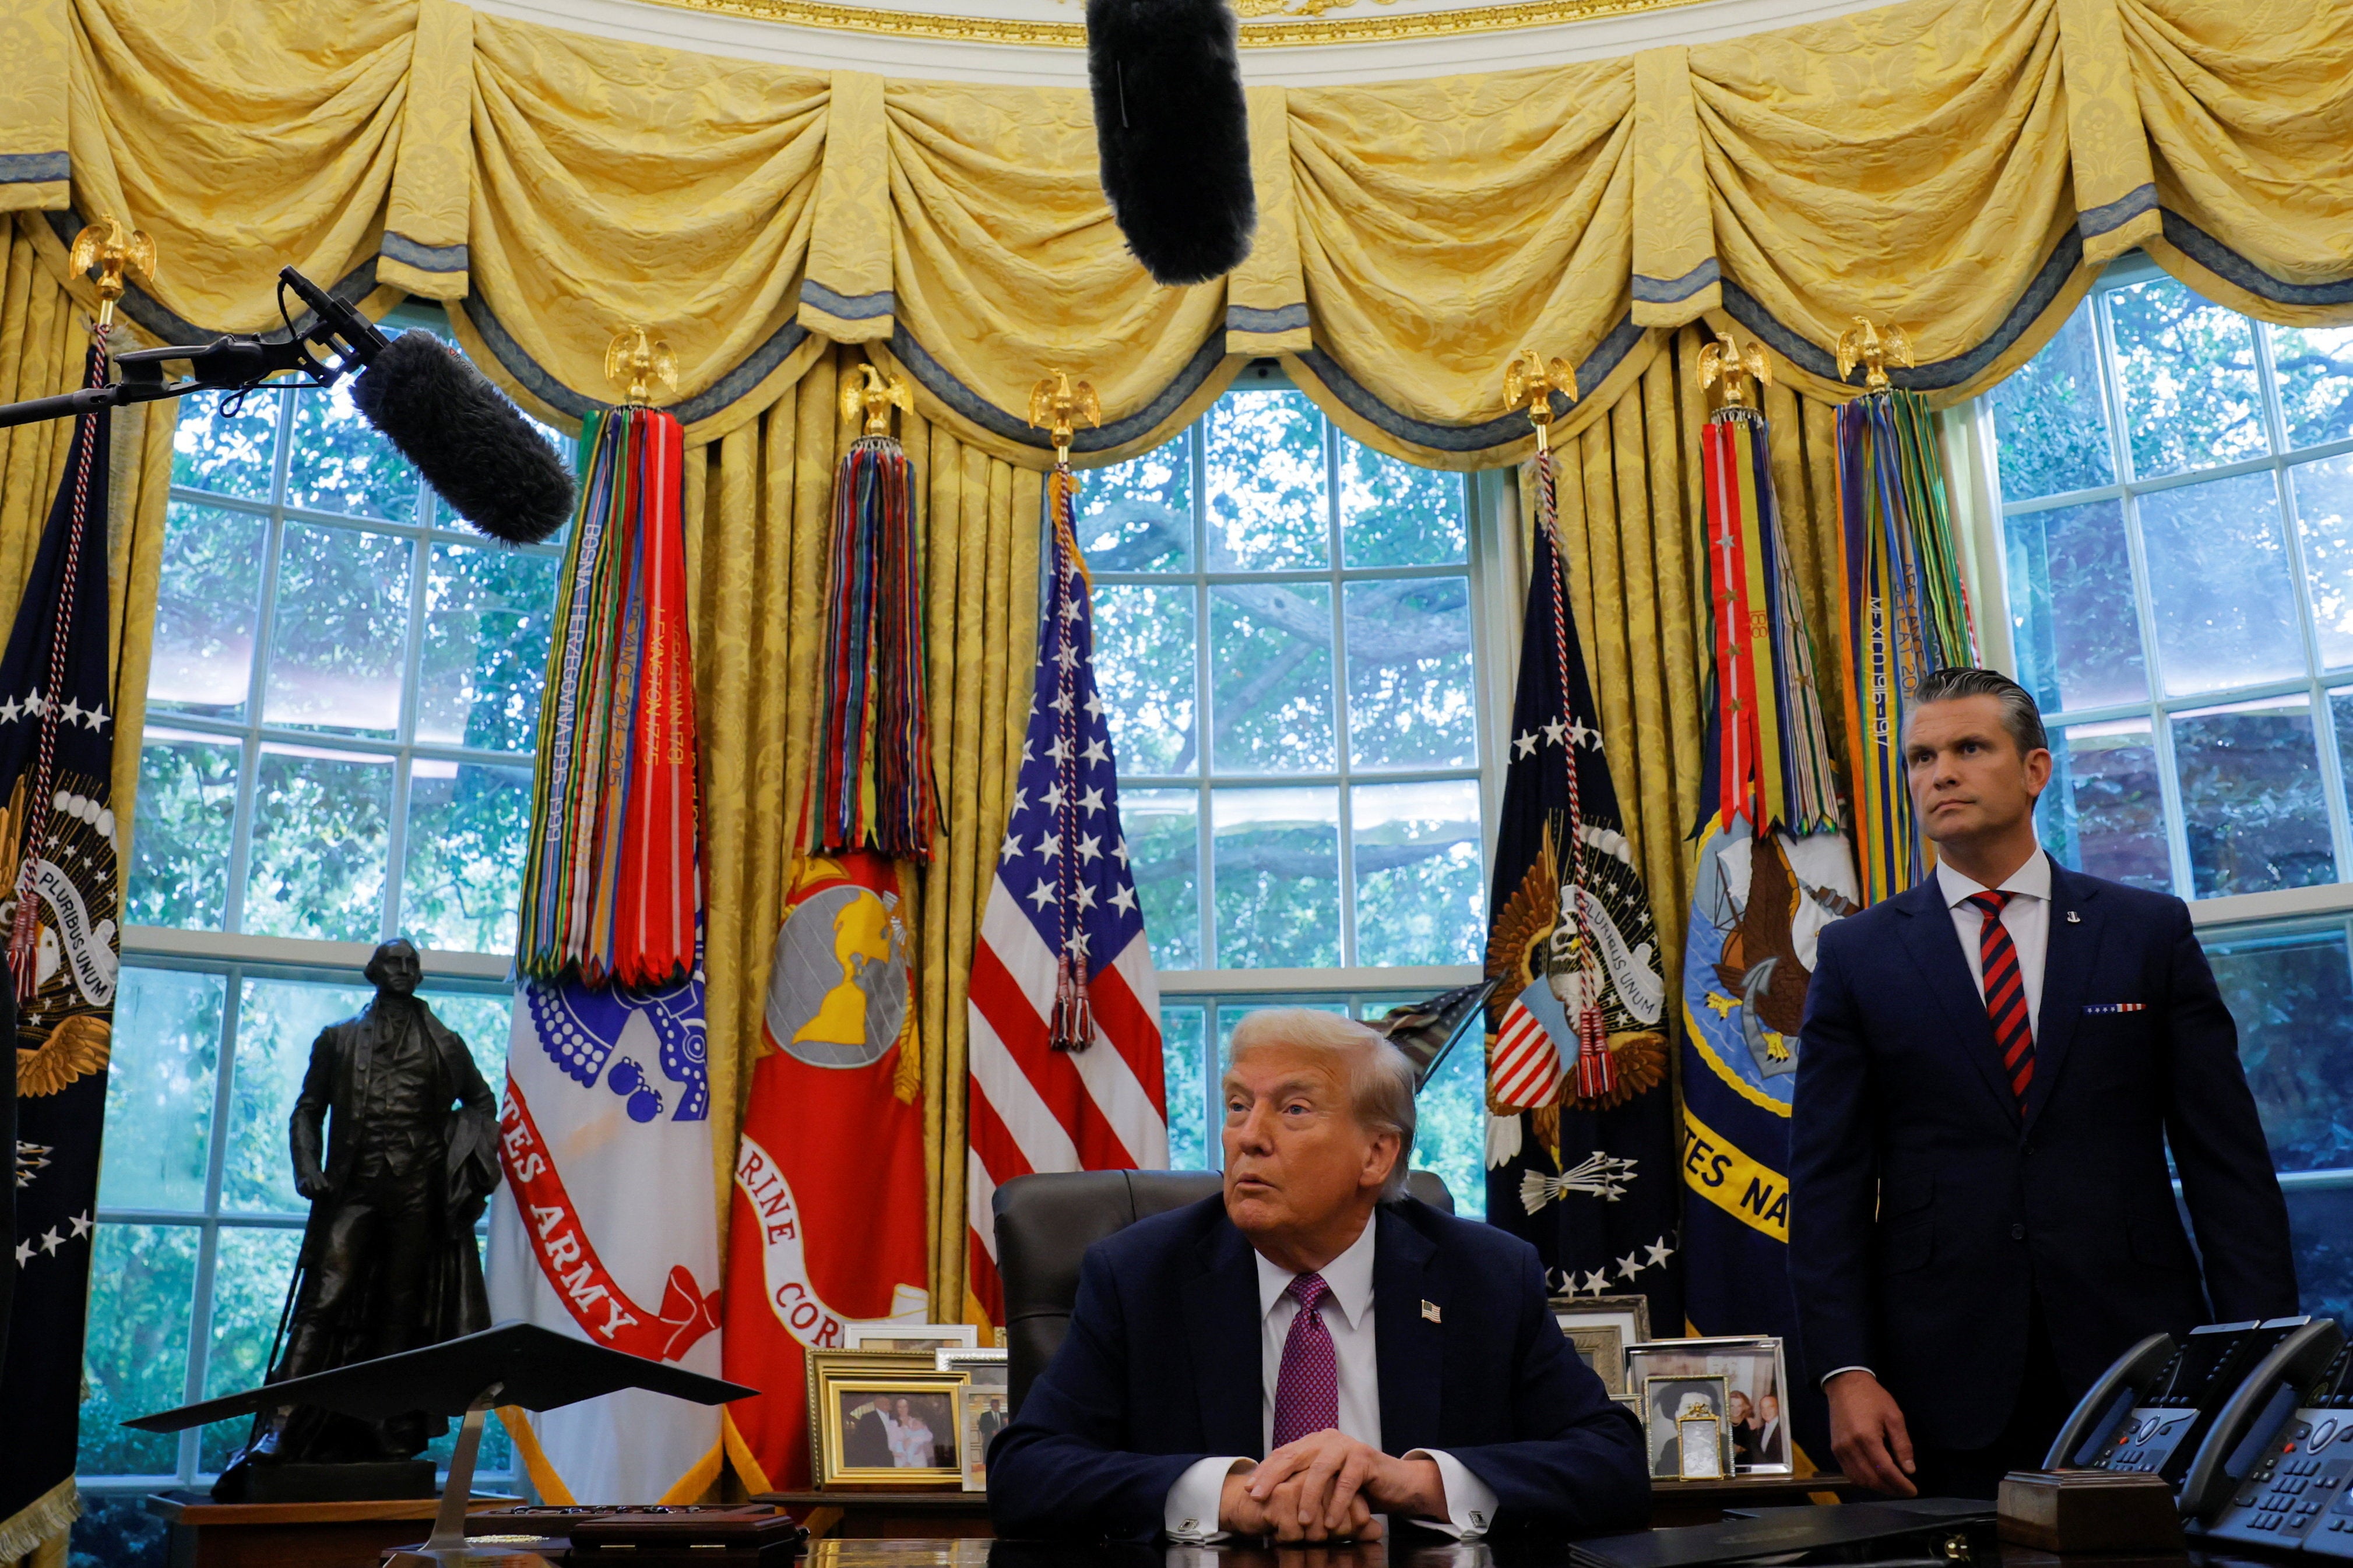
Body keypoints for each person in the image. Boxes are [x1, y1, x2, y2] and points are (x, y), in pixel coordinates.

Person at [1790, 667, 2298, 1500]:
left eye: (1969, 748)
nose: (1940, 774)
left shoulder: (2144, 931)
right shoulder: (1857, 954)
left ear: (2034, 770)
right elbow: (1825, 1185)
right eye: (1921, 757)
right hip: (1936, 1379)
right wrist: (1845, 1369)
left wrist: (2261, 1355)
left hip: (2143, 1363)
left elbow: (2227, 1165)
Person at [988, 1009, 1647, 1544]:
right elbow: (1025, 1472)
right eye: (1238, 1105)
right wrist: (1228, 1497)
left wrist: (1411, 1482)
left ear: (1375, 1154)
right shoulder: (1139, 1275)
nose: (1248, 1136)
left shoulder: (1486, 1276)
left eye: (1294, 1109)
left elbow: (1612, 1462)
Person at [893, 1396, 937, 1468]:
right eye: (899, 1407)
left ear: (909, 1407)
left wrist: (913, 1440)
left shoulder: (916, 1421)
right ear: (896, 1408)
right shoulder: (893, 1424)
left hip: (919, 1460)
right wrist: (905, 1444)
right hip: (902, 1462)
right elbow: (892, 1446)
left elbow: (929, 1436)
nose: (902, 1410)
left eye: (905, 1407)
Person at [1726, 1390, 1757, 1467]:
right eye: (1732, 1406)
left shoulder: (1750, 1423)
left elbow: (1754, 1448)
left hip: (1745, 1464)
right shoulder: (1723, 1422)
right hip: (1727, 1464)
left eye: (1739, 1406)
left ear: (1744, 1407)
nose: (1735, 1409)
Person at [1753, 1392, 1782, 1467]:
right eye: (1763, 1408)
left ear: (1778, 1408)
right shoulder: (1760, 1431)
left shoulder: (1784, 1429)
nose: (1766, 1411)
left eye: (1770, 1407)